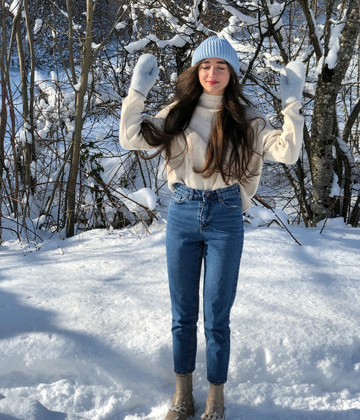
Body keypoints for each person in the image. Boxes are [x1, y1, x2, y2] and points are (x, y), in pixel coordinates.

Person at [119, 36, 305, 420]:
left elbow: (288, 152)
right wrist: (137, 93)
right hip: (183, 215)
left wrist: (292, 104)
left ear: (231, 74)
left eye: (221, 67)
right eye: (205, 66)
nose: (212, 73)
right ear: (196, 71)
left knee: (217, 315)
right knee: (182, 313)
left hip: (224, 218)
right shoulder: (178, 114)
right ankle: (182, 395)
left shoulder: (248, 119)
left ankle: (215, 398)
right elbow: (130, 137)